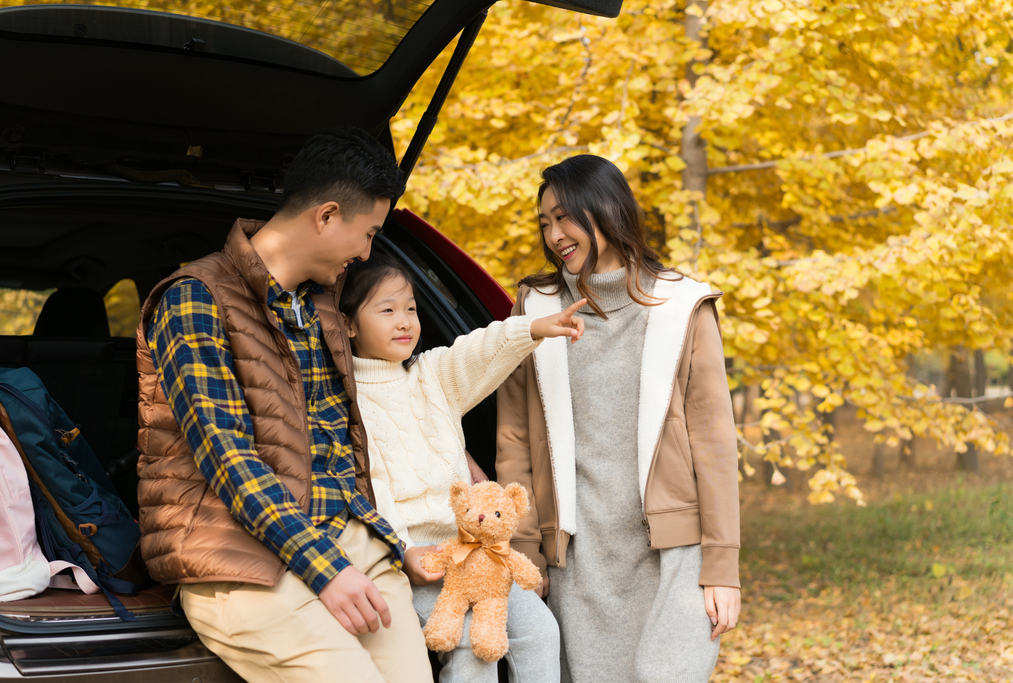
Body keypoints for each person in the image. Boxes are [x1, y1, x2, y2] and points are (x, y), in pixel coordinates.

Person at [136, 127, 433, 683]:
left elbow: (347, 438)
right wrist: (325, 571)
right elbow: (230, 459)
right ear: (325, 216)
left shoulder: (320, 306)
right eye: (366, 234)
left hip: (350, 542)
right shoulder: (193, 299)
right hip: (236, 558)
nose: (366, 253)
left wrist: (384, 539)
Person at [495, 154, 742, 683]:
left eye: (564, 217)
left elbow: (715, 444)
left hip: (673, 553)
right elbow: (514, 440)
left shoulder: (682, 305)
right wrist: (524, 550)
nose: (555, 234)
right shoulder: (535, 308)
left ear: (606, 207)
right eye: (544, 223)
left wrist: (723, 567)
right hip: (578, 558)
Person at [338, 248, 585, 683]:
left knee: (541, 631)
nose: (405, 321)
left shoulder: (431, 375)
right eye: (387, 309)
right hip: (419, 562)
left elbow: (477, 351)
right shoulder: (351, 404)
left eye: (411, 308)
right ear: (350, 325)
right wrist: (403, 550)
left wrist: (534, 328)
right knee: (470, 646)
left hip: (478, 553)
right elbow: (372, 487)